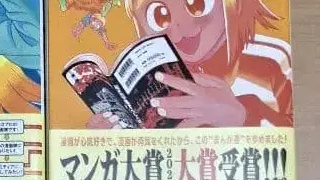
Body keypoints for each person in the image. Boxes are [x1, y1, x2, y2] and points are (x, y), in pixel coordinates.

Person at [91, 0, 292, 128]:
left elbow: (291, 145)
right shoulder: (151, 83)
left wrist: (243, 118)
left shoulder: (271, 60)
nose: (180, 29)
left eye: (197, 4)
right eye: (159, 16)